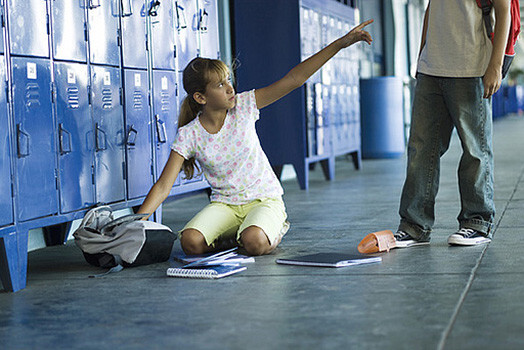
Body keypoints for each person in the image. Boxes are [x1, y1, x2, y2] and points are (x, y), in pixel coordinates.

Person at [137, 20, 373, 256]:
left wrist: (341, 44)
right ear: (200, 97)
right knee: (190, 242)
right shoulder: (189, 134)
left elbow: (294, 79)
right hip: (225, 206)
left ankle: (269, 229)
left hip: (264, 200)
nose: (230, 88)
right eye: (220, 85)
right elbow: (163, 186)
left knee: (255, 242)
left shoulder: (245, 106)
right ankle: (235, 236)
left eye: (229, 80)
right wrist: (133, 225)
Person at [394, 0, 511, 248]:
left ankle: (477, 222)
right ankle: (414, 225)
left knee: (474, 150)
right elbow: (431, 9)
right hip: (431, 68)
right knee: (420, 150)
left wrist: (495, 65)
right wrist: (421, 55)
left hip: (471, 66)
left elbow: (504, 10)